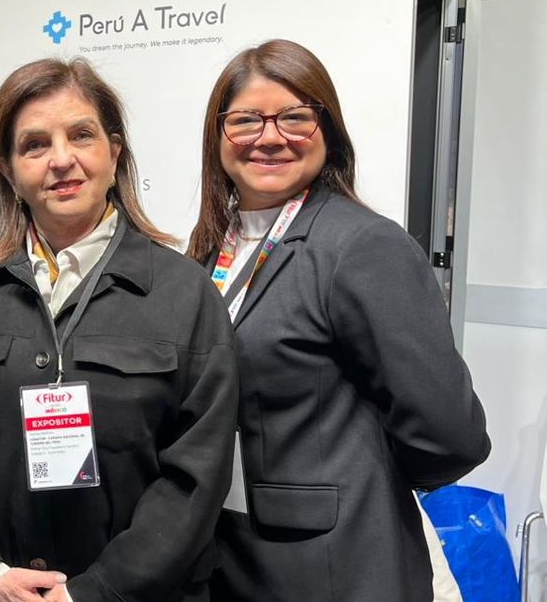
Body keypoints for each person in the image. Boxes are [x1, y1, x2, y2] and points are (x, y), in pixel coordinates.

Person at [0, 57, 238, 602]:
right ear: (9, 171)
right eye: (35, 144)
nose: (62, 160)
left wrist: (96, 592)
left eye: (81, 135)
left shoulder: (185, 294)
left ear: (114, 152)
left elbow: (196, 478)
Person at [187, 39, 490, 601]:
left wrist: (358, 476)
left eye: (295, 118)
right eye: (247, 120)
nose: (270, 137)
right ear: (218, 136)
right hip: (232, 551)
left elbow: (449, 430)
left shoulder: (363, 245)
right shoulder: (210, 252)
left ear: (328, 131)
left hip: (337, 561)